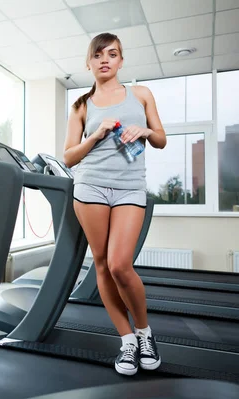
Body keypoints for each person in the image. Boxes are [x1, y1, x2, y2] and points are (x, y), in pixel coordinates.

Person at [63, 32, 166, 376]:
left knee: (121, 264)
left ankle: (145, 333)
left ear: (121, 61)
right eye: (98, 54)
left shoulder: (141, 94)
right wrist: (94, 135)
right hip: (90, 186)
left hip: (129, 189)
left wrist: (145, 131)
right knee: (103, 265)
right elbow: (68, 157)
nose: (105, 59)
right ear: (88, 63)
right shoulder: (81, 106)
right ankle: (127, 341)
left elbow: (161, 139)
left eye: (113, 54)